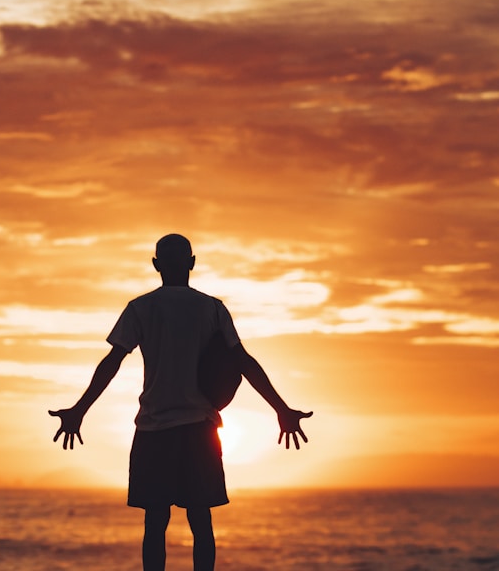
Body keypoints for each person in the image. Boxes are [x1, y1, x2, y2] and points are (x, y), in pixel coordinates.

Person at [49, 233, 313, 571]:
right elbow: (243, 361)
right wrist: (282, 409)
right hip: (199, 429)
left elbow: (112, 361)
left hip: (153, 429)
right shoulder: (212, 308)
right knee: (201, 522)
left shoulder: (141, 308)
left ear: (156, 265)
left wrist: (79, 410)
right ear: (192, 263)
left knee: (155, 524)